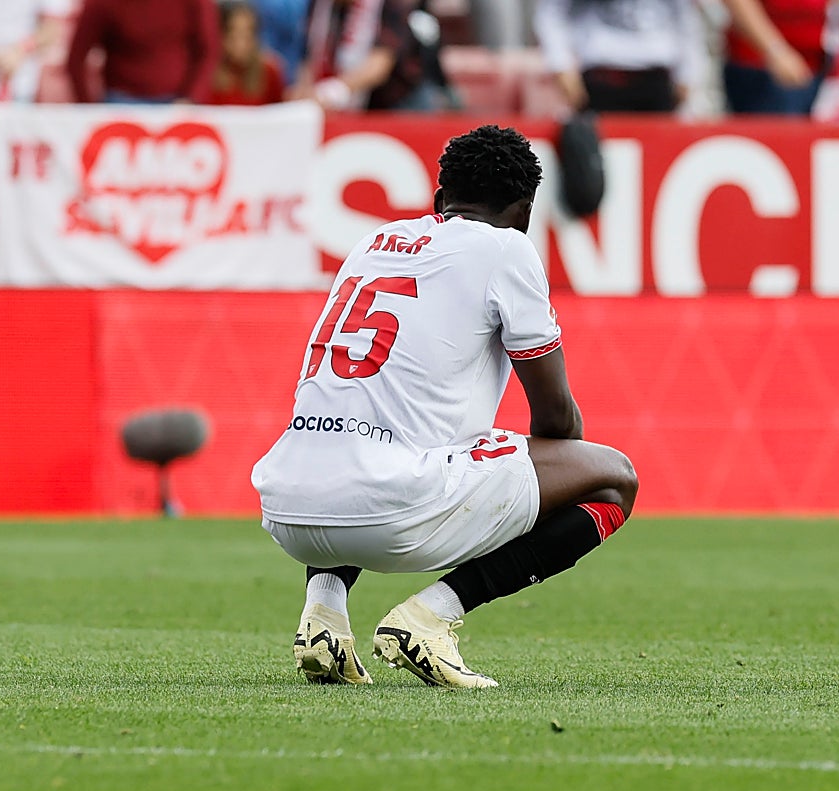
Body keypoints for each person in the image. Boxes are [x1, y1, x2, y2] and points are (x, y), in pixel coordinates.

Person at [251, 125, 637, 689]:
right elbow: (555, 420)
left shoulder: (373, 241)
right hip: (387, 509)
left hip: (287, 507)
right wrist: (556, 469)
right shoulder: (507, 248)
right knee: (613, 480)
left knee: (368, 427)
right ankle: (431, 617)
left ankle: (324, 614)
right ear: (525, 210)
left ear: (439, 201)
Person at [534, 0, 705, 113]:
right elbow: (551, 12)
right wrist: (561, 66)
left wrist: (687, 74)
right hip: (601, 79)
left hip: (656, 80)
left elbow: (686, 17)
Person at [296, 0, 445, 111]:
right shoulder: (319, 7)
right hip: (352, 104)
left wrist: (331, 92)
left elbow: (381, 62)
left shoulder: (391, 5)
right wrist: (305, 94)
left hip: (400, 102)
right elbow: (309, 56)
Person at [65, 0, 219, 104]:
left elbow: (208, 50)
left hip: (177, 104)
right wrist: (89, 110)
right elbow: (75, 59)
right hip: (121, 103)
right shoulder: (103, 4)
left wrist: (191, 98)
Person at [209, 1, 286, 106]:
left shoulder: (270, 71)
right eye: (233, 35)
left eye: (247, 35)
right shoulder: (208, 74)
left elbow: (281, 114)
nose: (241, 43)